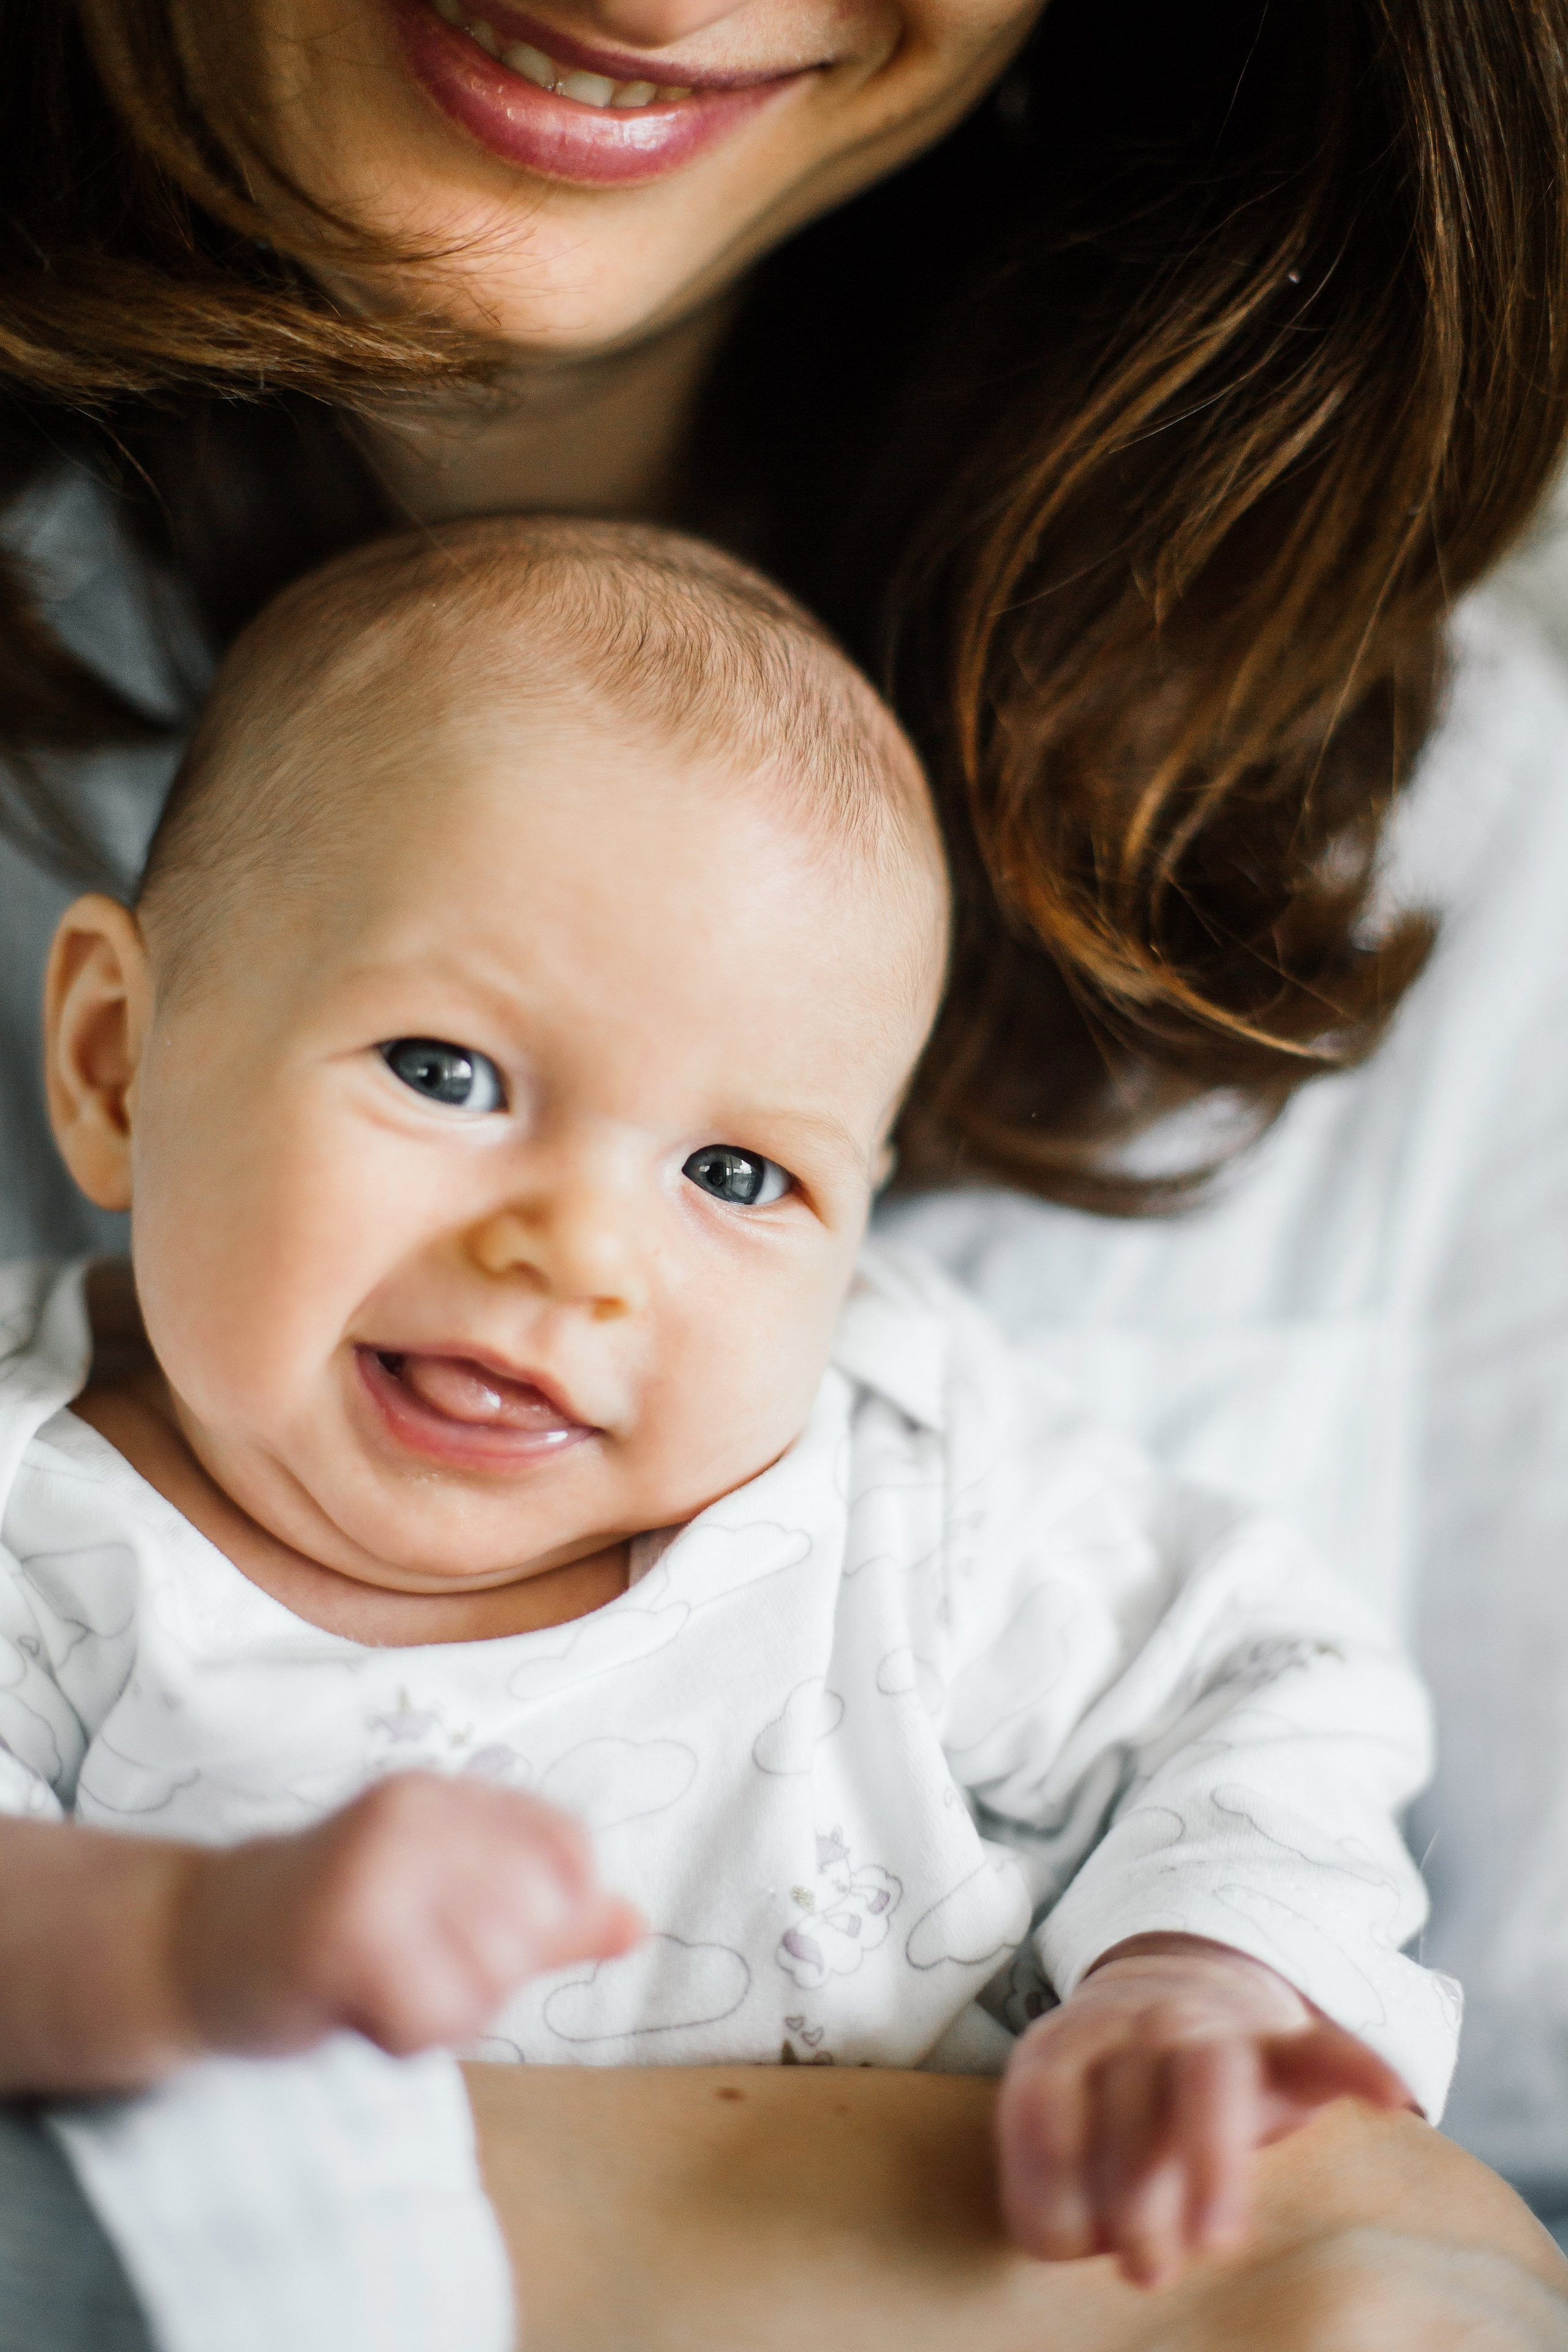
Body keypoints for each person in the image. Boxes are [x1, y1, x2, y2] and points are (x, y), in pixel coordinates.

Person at [3, 1, 1568, 2345]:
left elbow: (1258, 1681)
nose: (577, 1254)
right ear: (116, 1062)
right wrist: (197, 1948)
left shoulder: (891, 1469)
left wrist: (1200, 1977)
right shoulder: (48, 1530)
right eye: (445, 1070)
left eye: (740, 1178)